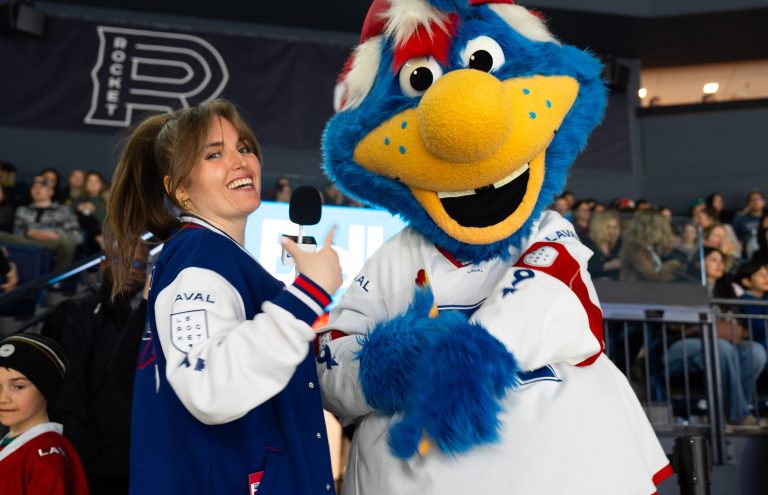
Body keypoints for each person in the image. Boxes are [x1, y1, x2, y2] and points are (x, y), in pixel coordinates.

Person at [104, 99, 342, 494]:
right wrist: (309, 293)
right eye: (215, 154)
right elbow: (211, 387)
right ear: (179, 189)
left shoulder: (210, 255)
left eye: (244, 147)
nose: (240, 161)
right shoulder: (200, 258)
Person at [41, 247, 150, 495]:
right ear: (103, 264)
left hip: (123, 458)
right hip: (87, 458)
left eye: (139, 264)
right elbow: (68, 393)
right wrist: (80, 454)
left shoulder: (137, 320)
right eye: (122, 260)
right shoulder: (74, 313)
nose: (132, 270)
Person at [667, 248, 767, 426]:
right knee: (722, 347)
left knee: (755, 351)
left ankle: (726, 411)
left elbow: (740, 326)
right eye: (713, 260)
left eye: (721, 260)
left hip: (719, 340)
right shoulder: (684, 285)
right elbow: (673, 324)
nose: (720, 264)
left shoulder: (726, 289)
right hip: (680, 344)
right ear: (699, 263)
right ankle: (738, 415)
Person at [0, 333, 90, 494]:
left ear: (46, 389)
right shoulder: (14, 443)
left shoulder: (46, 459)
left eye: (18, 387)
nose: (3, 398)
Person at [0, 175, 84, 271]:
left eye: (42, 187)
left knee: (68, 243)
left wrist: (55, 234)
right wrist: (27, 232)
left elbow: (77, 236)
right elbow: (16, 231)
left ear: (51, 191)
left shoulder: (63, 210)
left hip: (53, 243)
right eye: (34, 187)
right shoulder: (22, 210)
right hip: (28, 242)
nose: (37, 190)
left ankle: (56, 279)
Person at [619, 209, 685, 282]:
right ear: (651, 229)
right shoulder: (634, 249)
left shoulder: (649, 247)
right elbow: (652, 277)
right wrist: (671, 265)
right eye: (661, 228)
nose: (664, 231)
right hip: (637, 291)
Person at [71, 171, 108, 254]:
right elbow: (70, 211)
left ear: (101, 184)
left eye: (96, 181)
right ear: (85, 184)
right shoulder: (78, 199)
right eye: (90, 181)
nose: (93, 184)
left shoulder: (109, 201)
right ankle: (99, 237)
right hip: (89, 234)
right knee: (85, 214)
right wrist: (80, 207)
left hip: (108, 229)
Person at [737, 259, 768, 350]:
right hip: (757, 344)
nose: (766, 278)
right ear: (747, 281)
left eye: (767, 274)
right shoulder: (744, 301)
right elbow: (758, 329)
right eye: (761, 275)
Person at [583, 210, 622, 280]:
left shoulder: (618, 244)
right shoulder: (586, 242)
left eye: (615, 228)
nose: (611, 231)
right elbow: (583, 268)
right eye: (608, 227)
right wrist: (608, 266)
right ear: (598, 227)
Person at [732, 190, 766, 259]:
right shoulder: (740, 219)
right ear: (747, 203)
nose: (755, 202)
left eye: (758, 199)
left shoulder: (766, 219)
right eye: (752, 200)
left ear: (764, 202)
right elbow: (731, 238)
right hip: (745, 250)